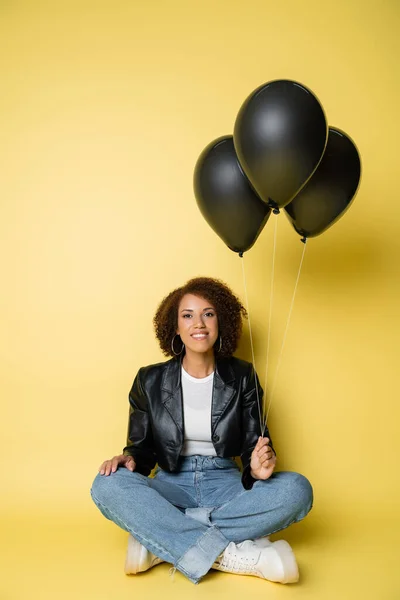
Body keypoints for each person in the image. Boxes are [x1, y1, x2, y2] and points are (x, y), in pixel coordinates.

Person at [90, 276, 313, 585]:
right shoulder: (148, 380)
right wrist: (129, 461)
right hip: (170, 484)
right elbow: (139, 449)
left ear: (221, 322)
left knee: (297, 489)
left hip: (226, 484)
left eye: (208, 313)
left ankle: (163, 543)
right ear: (175, 327)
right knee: (106, 485)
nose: (199, 323)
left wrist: (258, 467)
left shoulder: (243, 376)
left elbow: (255, 444)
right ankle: (234, 556)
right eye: (188, 315)